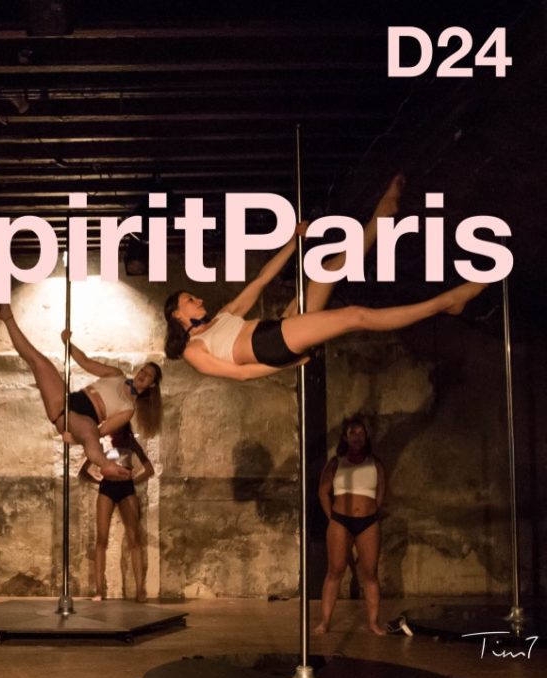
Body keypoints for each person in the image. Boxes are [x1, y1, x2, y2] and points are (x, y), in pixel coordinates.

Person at [163, 176, 488, 380]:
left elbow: (260, 281)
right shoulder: (193, 350)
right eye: (190, 300)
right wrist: (287, 364)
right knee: (355, 316)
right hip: (272, 346)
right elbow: (240, 374)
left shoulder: (221, 317)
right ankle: (446, 303)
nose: (199, 299)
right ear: (177, 314)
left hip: (277, 329)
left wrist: (293, 243)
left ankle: (381, 217)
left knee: (327, 270)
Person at [0, 303, 161, 479]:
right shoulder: (117, 374)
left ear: (151, 385)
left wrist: (75, 440)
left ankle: (106, 465)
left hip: (84, 419)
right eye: (143, 370)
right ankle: (6, 315)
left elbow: (101, 431)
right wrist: (68, 344)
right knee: (38, 362)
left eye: (149, 375)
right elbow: (86, 363)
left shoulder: (128, 408)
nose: (143, 374)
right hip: (67, 401)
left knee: (90, 434)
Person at [316, 416, 387, 635]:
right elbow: (323, 492)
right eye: (352, 433)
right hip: (341, 521)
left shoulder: (375, 463)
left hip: (368, 523)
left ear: (366, 436)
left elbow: (380, 495)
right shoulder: (336, 463)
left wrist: (370, 513)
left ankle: (373, 623)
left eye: (360, 432)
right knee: (335, 571)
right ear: (345, 438)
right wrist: (333, 518)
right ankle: (324, 622)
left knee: (370, 573)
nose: (357, 436)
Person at [79, 423, 154, 602]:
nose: (114, 429)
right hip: (107, 488)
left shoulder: (130, 442)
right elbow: (83, 471)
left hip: (126, 488)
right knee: (101, 539)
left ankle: (140, 590)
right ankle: (99, 591)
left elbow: (149, 469)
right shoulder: (101, 442)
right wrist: (99, 481)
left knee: (134, 539)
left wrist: (133, 481)